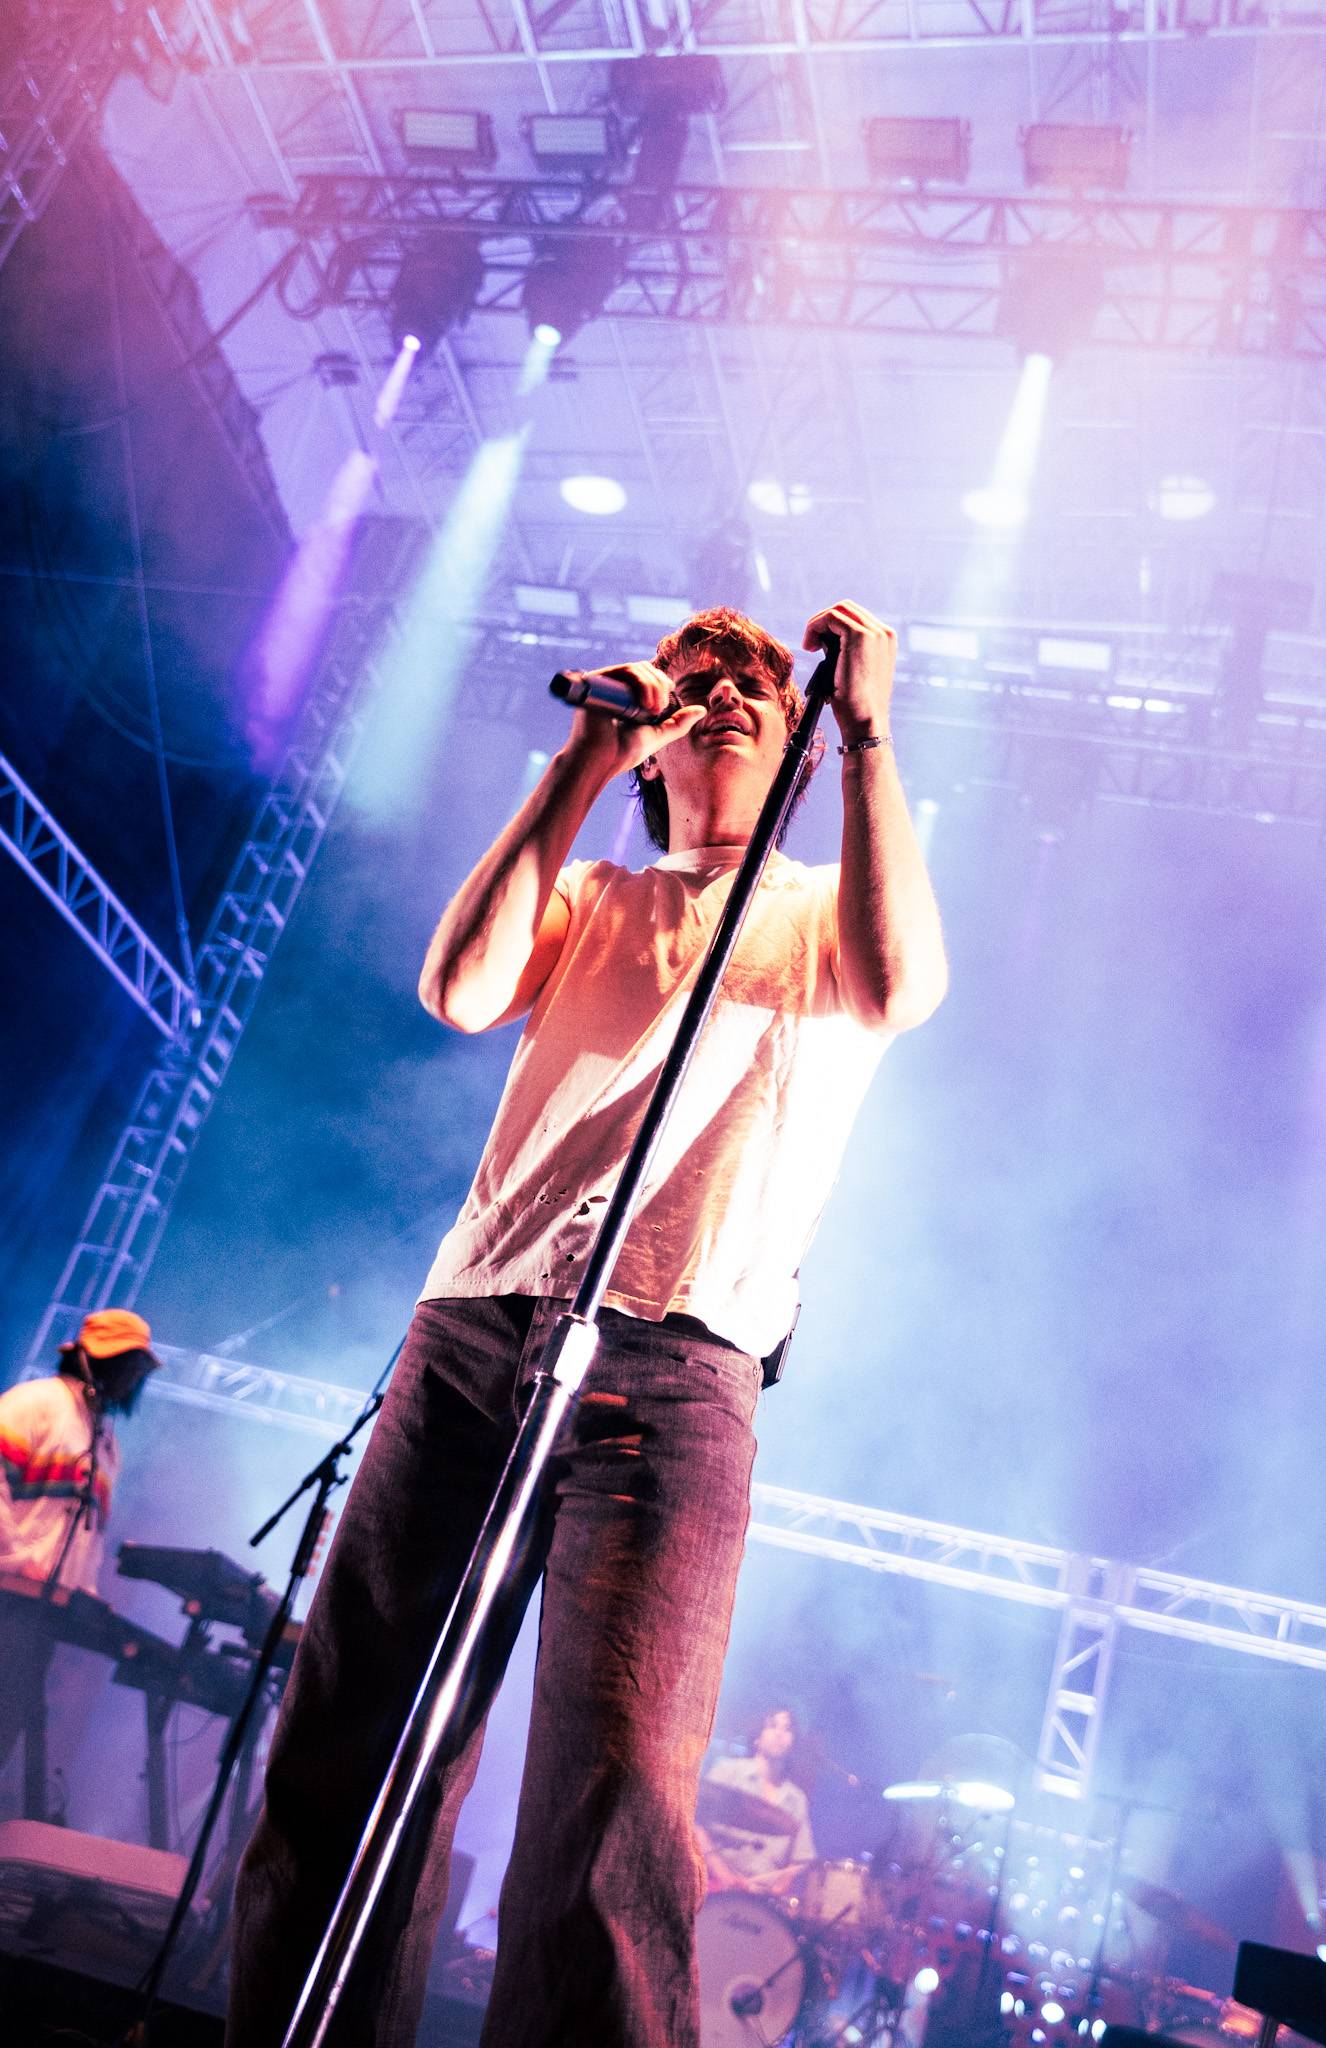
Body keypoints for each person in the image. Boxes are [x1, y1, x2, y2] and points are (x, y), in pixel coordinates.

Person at [227, 598, 948, 2048]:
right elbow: (458, 985)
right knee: (354, 1747)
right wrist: (582, 759)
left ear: (796, 740)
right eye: (698, 679)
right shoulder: (597, 894)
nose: (727, 692)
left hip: (677, 1369)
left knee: (610, 1816)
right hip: (476, 1331)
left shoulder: (824, 906)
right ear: (657, 743)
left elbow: (901, 983)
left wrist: (870, 735)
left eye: (755, 682)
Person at [0, 1308, 162, 1809]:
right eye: (128, 1364)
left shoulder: (106, 1443)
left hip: (40, 1614)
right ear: (94, 1360)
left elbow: (85, 1535)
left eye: (139, 1369)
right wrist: (17, 1560)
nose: (133, 1378)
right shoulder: (35, 1403)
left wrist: (84, 1594)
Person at [699, 1706, 817, 1896]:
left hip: (762, 1898)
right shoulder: (728, 1771)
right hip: (715, 1887)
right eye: (772, 1726)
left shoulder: (797, 1799)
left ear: (793, 1743)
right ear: (757, 1737)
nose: (779, 1733)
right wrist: (723, 1875)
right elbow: (696, 1825)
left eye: (787, 1729)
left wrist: (778, 1889)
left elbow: (800, 1860)